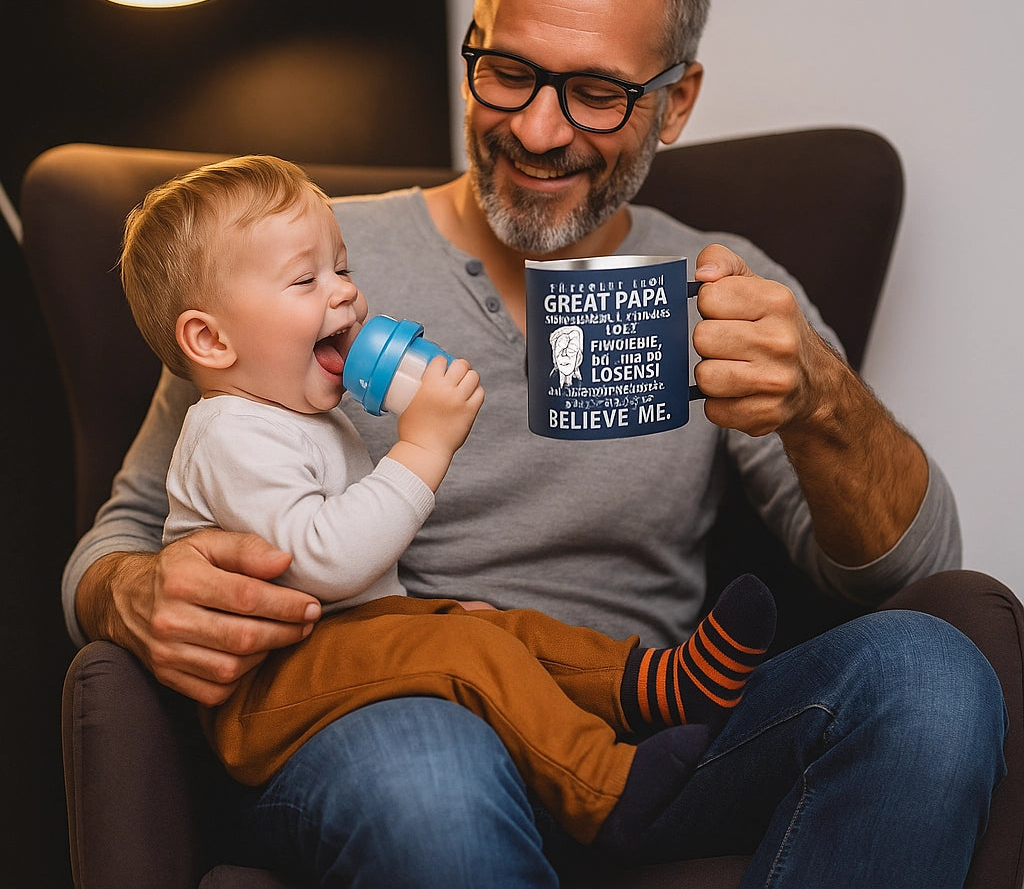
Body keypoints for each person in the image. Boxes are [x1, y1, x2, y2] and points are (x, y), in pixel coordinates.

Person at [63, 0, 1006, 888]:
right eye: (509, 73)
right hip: (387, 727)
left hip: (649, 742)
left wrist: (822, 399)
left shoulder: (719, 286)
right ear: (471, 49)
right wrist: (133, 592)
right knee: (431, 778)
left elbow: (904, 569)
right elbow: (121, 537)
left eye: (596, 92)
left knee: (930, 673)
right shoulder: (293, 267)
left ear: (676, 101)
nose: (542, 130)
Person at [118, 152, 778, 854]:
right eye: (306, 280)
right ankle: (604, 786)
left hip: (348, 642)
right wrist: (423, 447)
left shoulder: (295, 410)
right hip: (273, 688)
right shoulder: (230, 435)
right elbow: (321, 563)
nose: (345, 293)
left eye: (342, 269)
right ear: (211, 340)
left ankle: (657, 683)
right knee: (465, 647)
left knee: (498, 628)